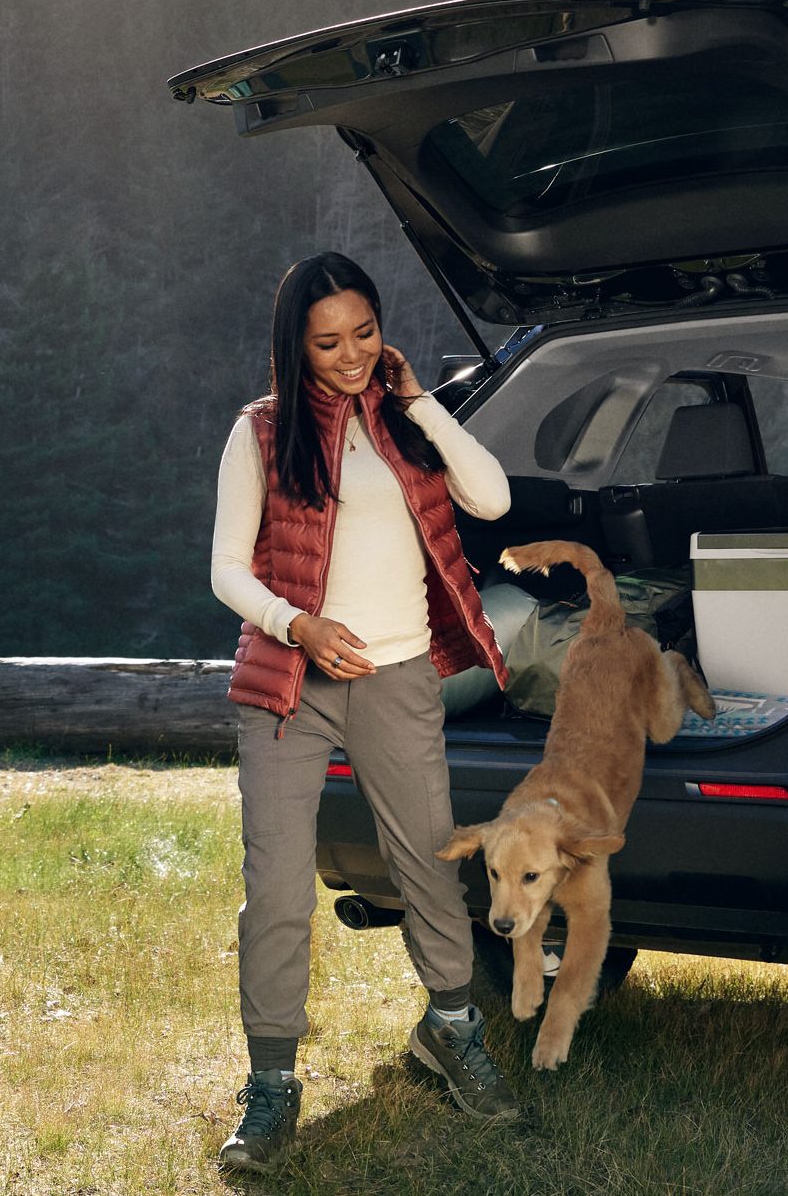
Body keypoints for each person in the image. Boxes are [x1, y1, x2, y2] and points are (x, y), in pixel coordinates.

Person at [208, 252, 518, 1172]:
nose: (350, 356)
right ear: (294, 347)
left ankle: (451, 1033)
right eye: (328, 343)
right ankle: (270, 1087)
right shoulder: (261, 433)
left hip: (398, 679)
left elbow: (492, 497)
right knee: (276, 890)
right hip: (289, 690)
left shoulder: (408, 426)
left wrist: (421, 400)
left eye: (364, 335)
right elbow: (225, 568)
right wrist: (293, 622)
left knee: (428, 861)